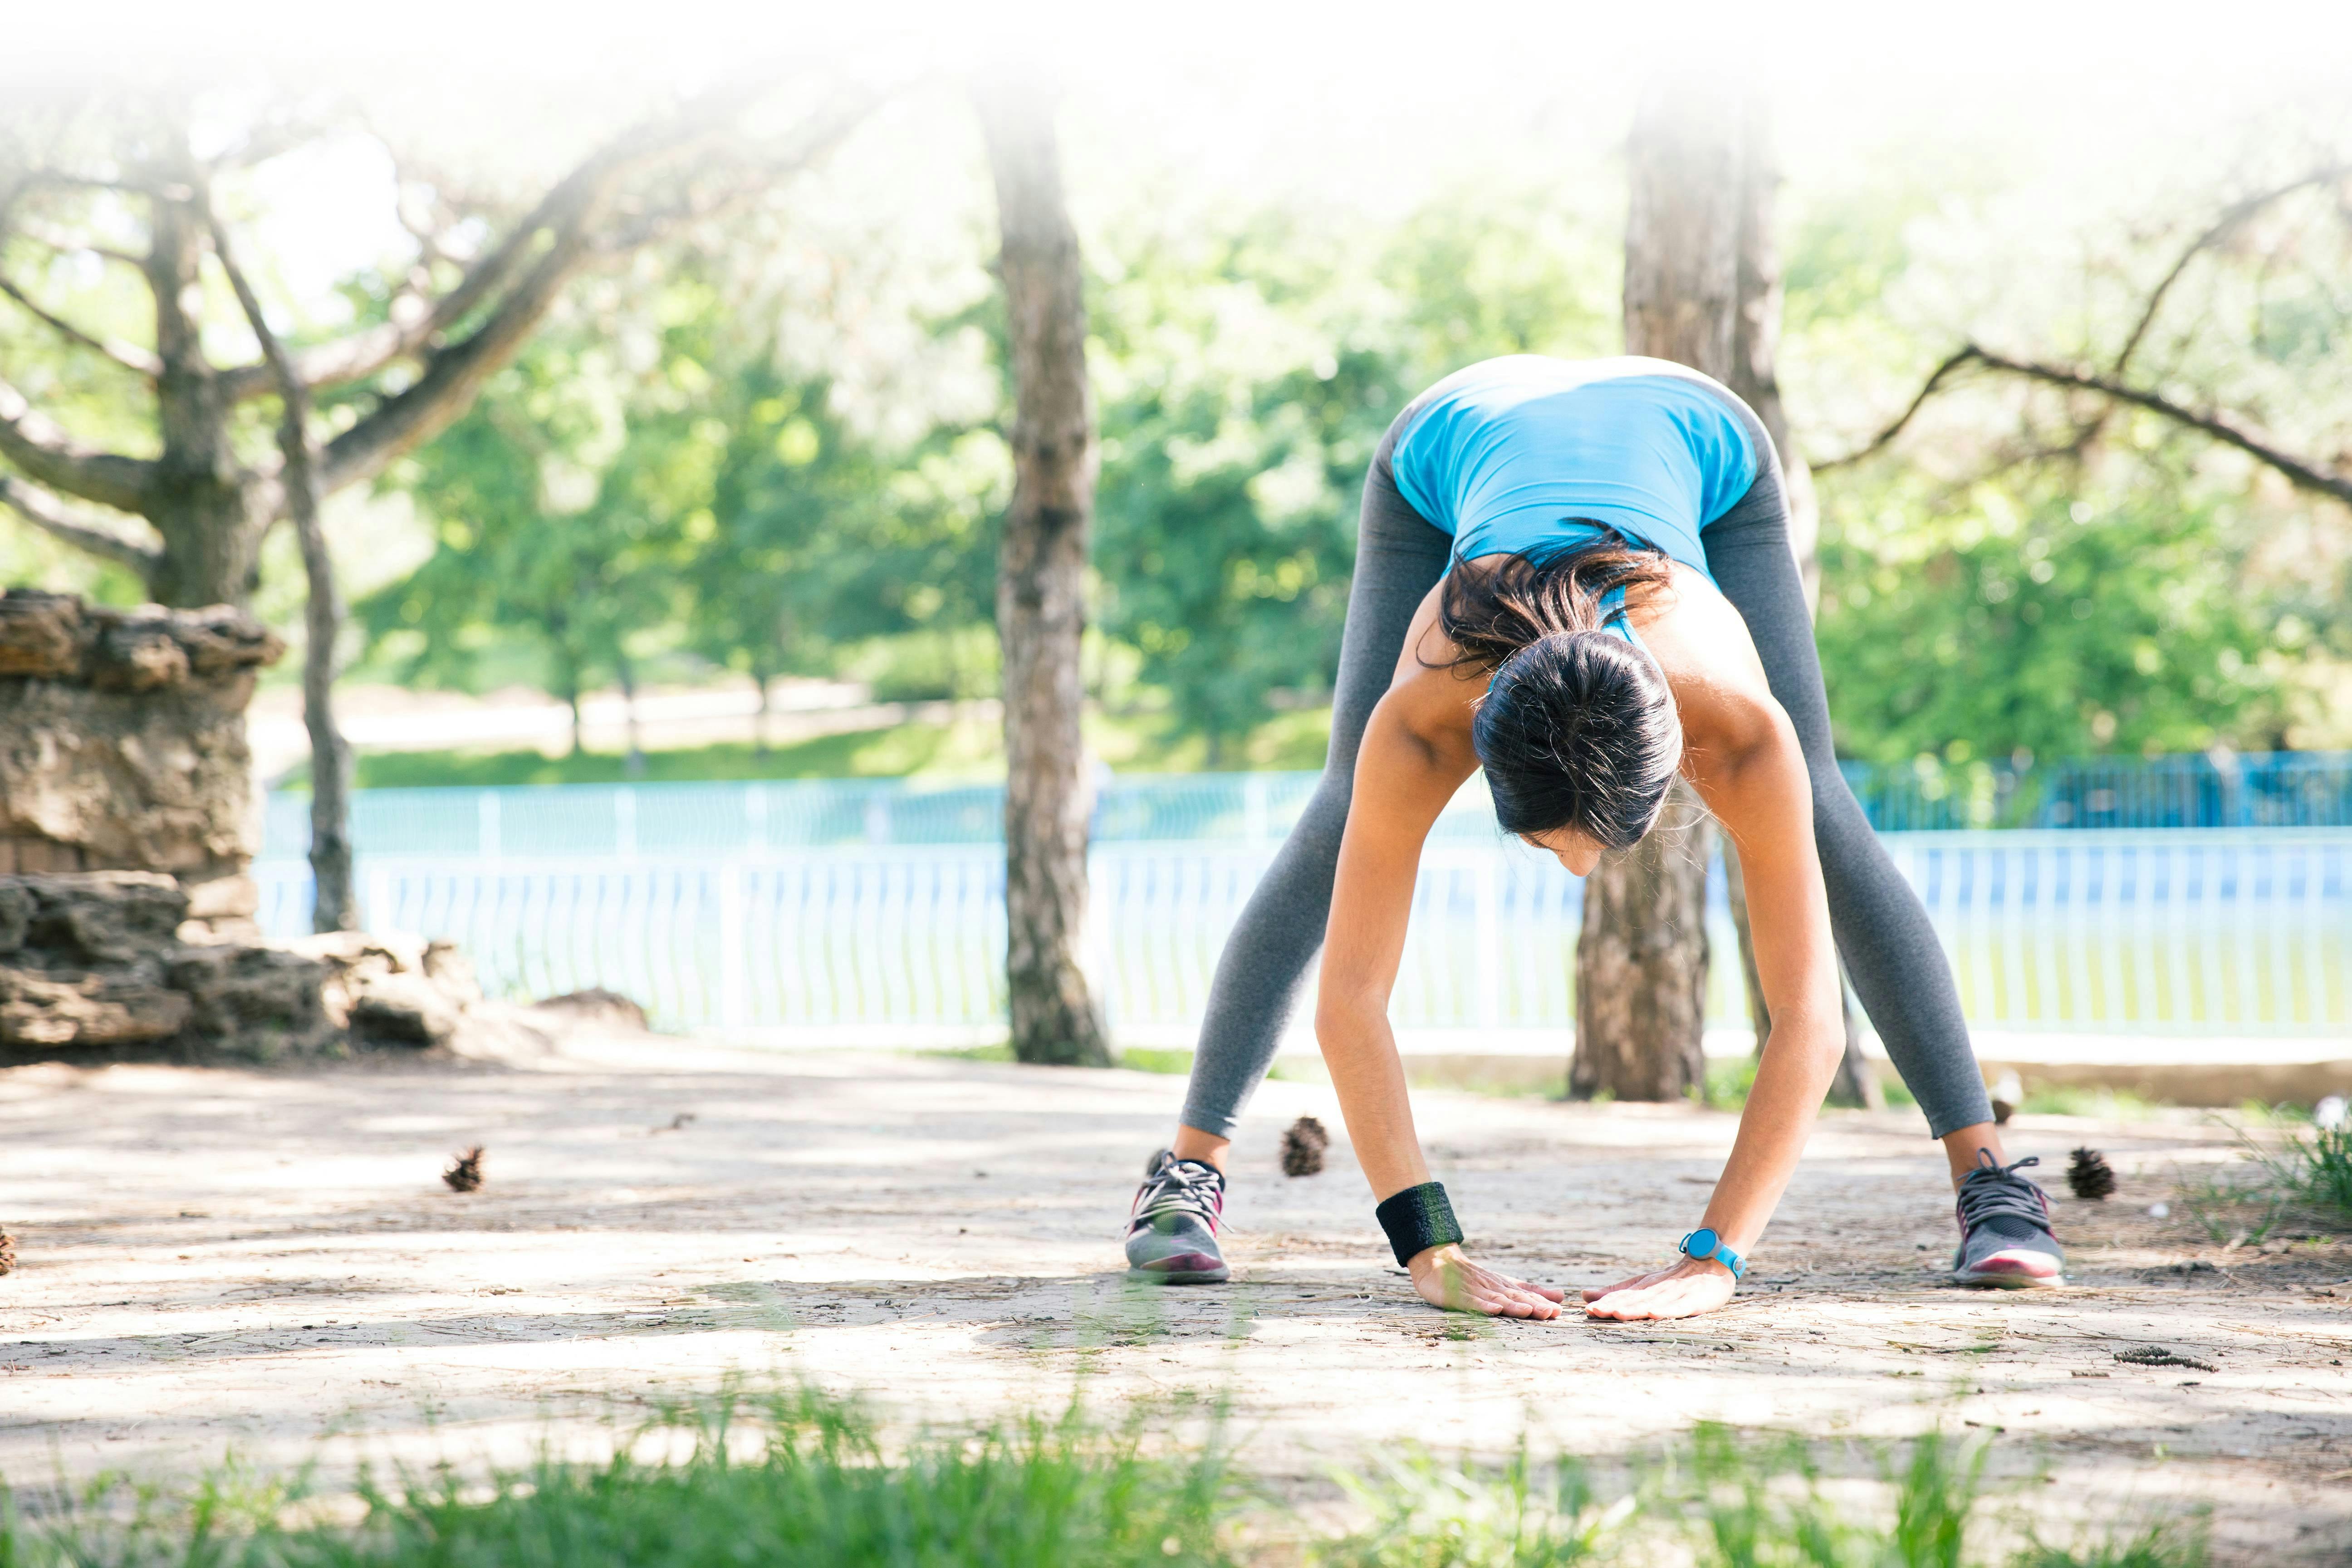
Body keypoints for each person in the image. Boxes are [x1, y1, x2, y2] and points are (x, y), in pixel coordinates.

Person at [1120, 355, 2063, 1321]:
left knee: (1820, 803)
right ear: (1478, 741)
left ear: (1677, 758)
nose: (1577, 867)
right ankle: (1188, 1174)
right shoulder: (1420, 715)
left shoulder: (1741, 728)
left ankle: (1991, 1180)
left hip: (1702, 436)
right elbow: (1351, 1005)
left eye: (1598, 843)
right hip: (1451, 433)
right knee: (1341, 810)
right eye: (1547, 844)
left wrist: (1715, 1260)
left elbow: (1810, 1022)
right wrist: (1429, 1249)